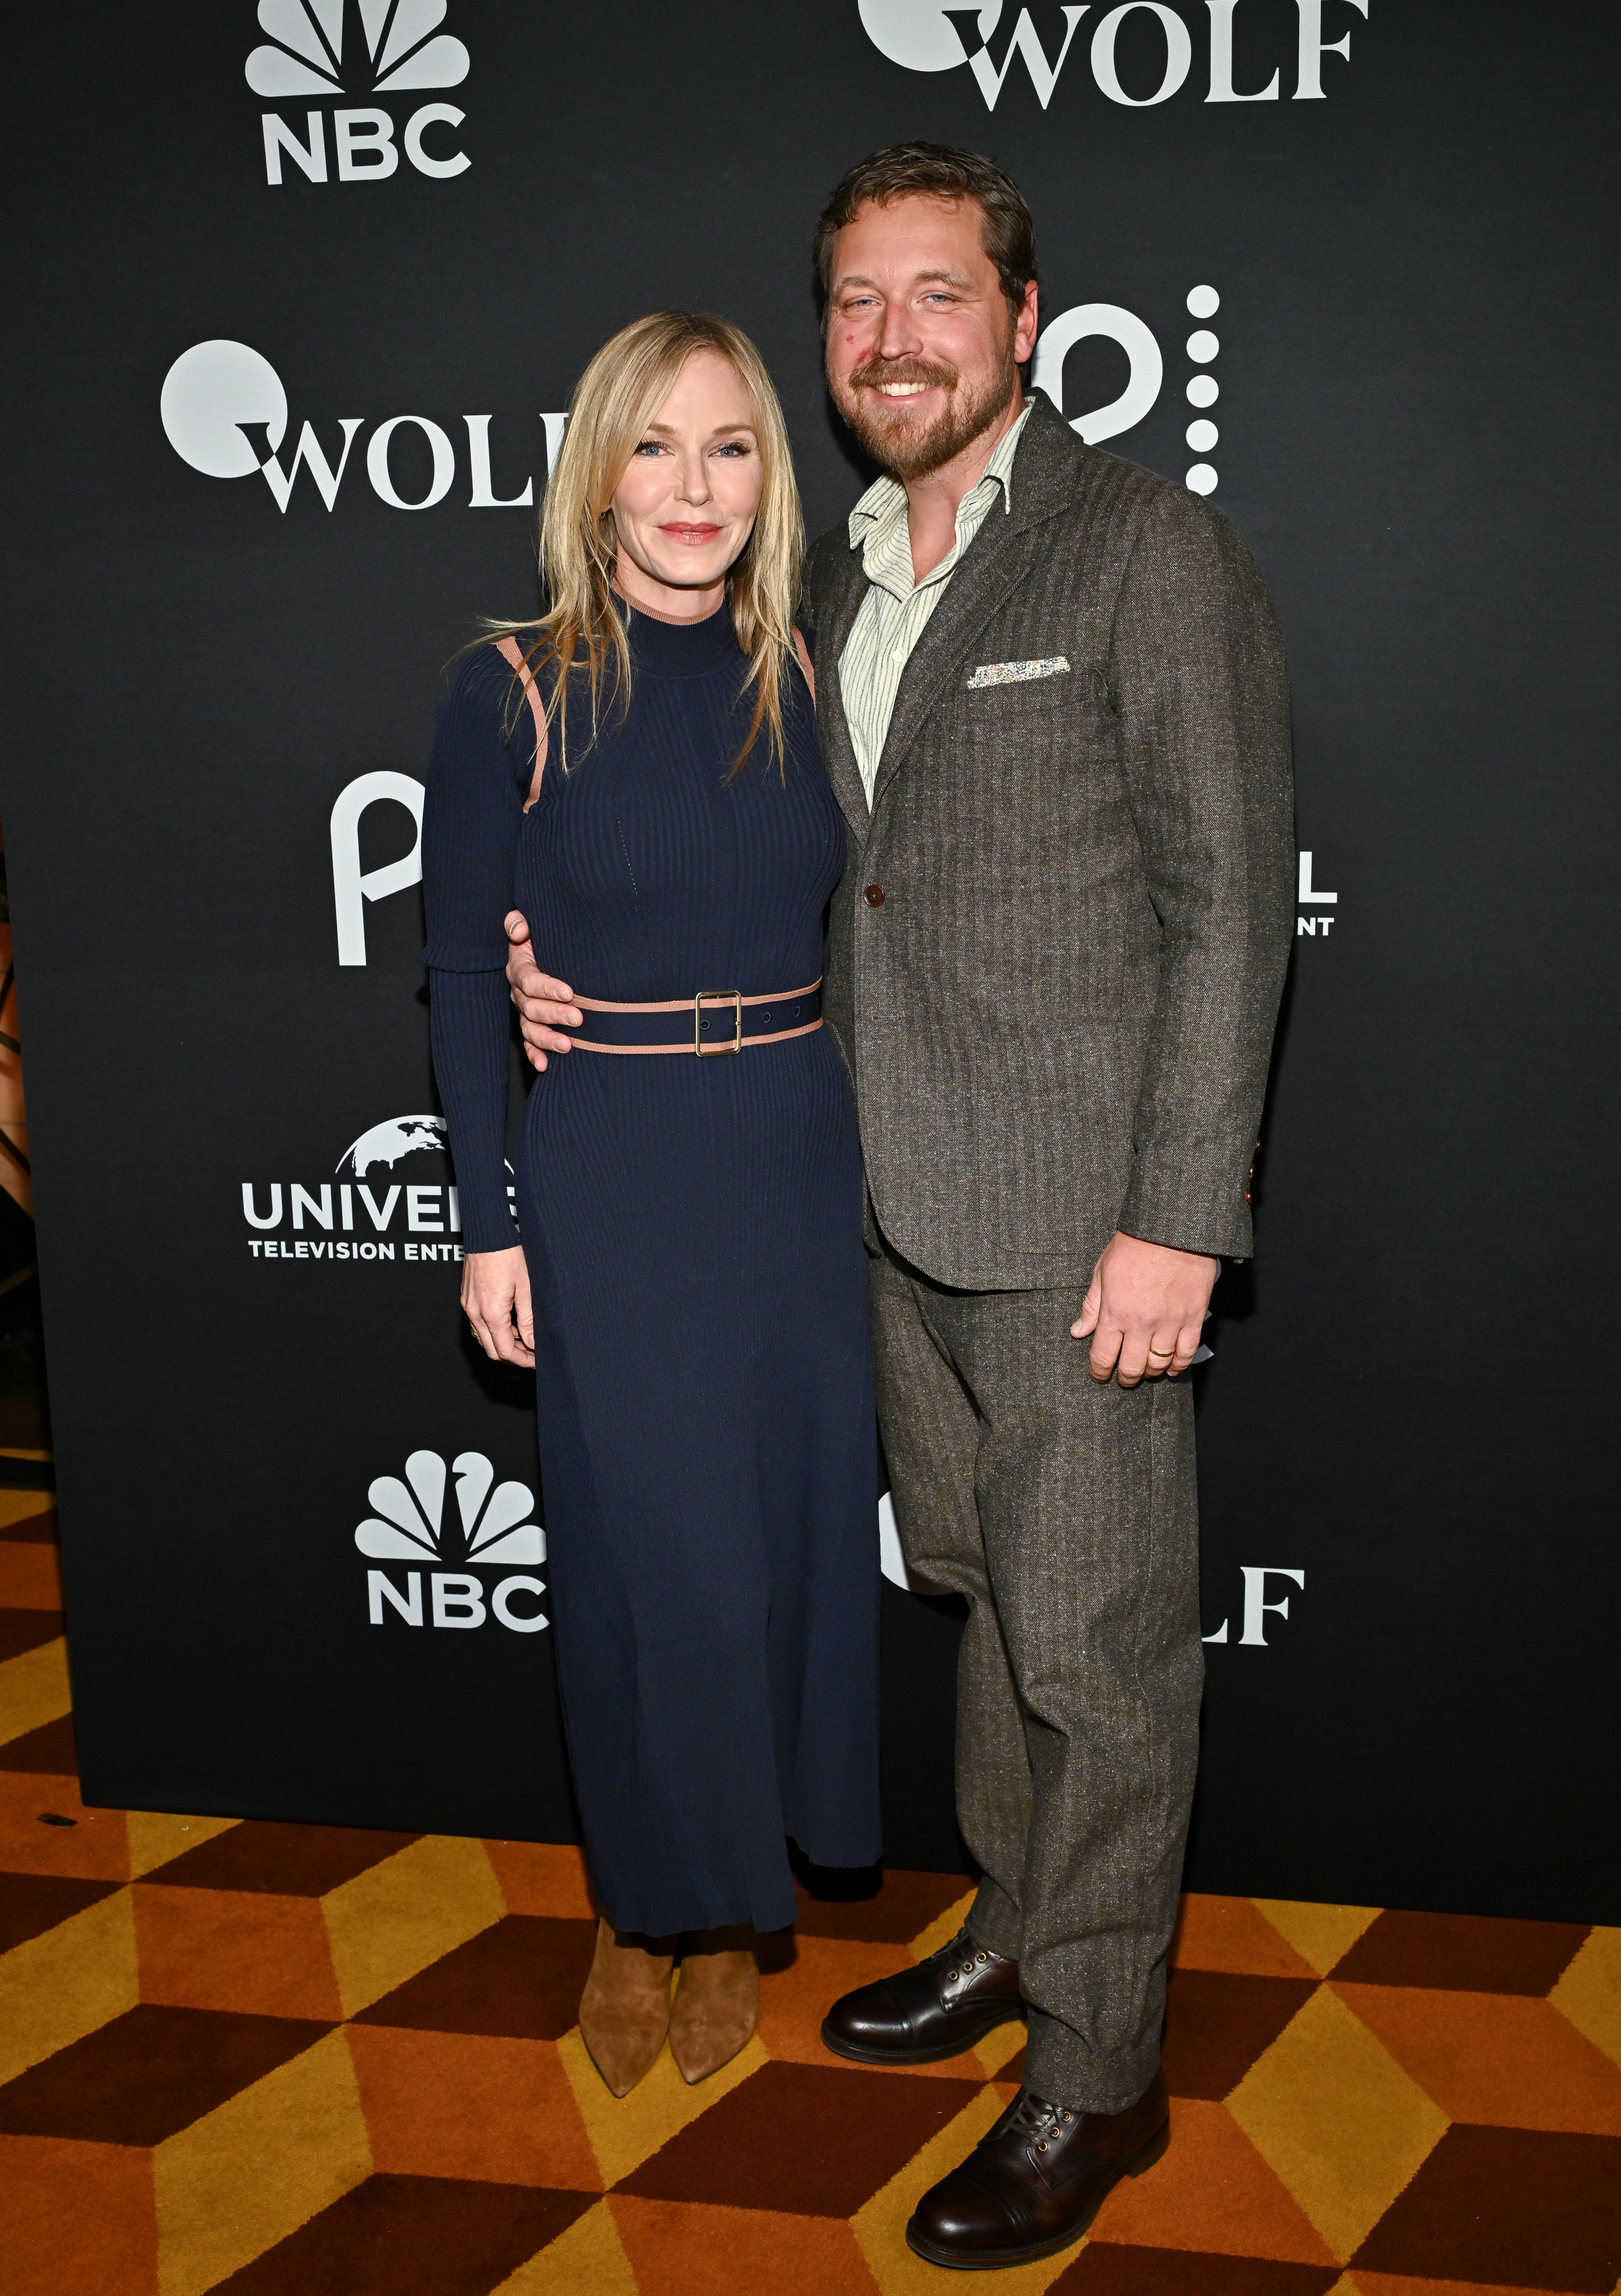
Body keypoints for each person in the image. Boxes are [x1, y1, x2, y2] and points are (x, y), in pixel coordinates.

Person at [507, 146, 1294, 2270]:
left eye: (938, 296)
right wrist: (532, 950)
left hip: (1080, 1231)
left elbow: (1230, 913)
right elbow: (750, 858)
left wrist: (1180, 1215)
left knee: (1108, 1657)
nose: (893, 341)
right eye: (856, 306)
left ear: (1023, 320)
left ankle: (1094, 2068)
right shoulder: (825, 577)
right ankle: (1010, 1928)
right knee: (986, 1607)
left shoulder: (1142, 548)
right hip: (866, 1203)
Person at [421, 309, 880, 2102]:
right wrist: (487, 1211)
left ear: (773, 476)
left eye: (735, 446)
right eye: (657, 444)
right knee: (645, 1568)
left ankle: (728, 1905)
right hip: (611, 1163)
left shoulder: (816, 670)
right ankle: (646, 1906)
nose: (695, 486)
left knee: (769, 1557)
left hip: (792, 1142)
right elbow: (464, 966)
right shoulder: (512, 685)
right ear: (597, 471)